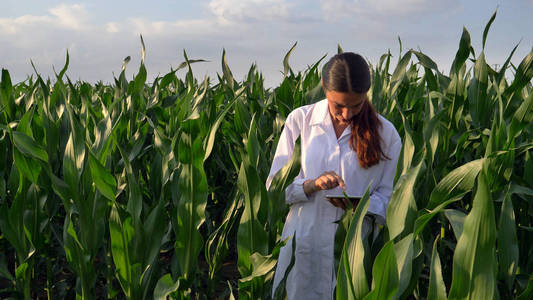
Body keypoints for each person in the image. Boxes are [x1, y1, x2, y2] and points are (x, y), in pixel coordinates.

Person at [266, 52, 402, 299]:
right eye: (338, 105)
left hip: (354, 252)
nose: (347, 114)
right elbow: (275, 189)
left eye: (356, 105)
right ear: (323, 85)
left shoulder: (387, 134)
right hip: (303, 243)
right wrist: (311, 185)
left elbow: (392, 198)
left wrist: (362, 205)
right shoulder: (300, 121)